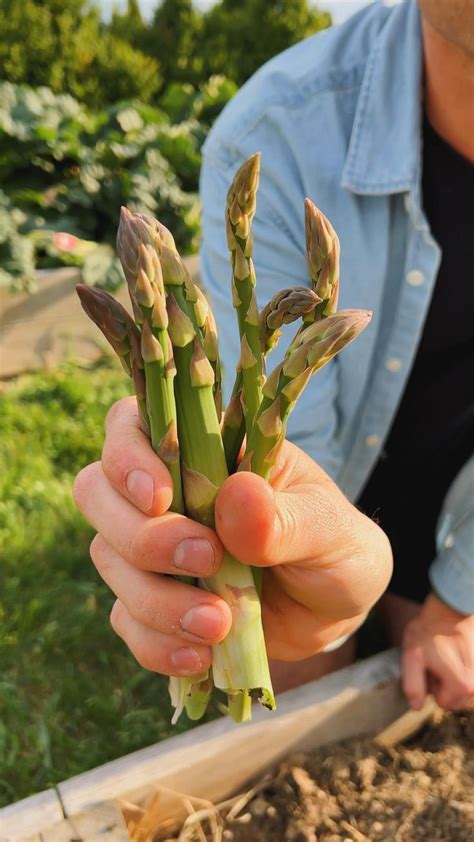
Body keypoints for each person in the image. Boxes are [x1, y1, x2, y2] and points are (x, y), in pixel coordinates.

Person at [73, 0, 474, 712]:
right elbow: (283, 466)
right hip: (326, 519)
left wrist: (458, 594)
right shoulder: (282, 131)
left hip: (460, 511)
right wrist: (314, 586)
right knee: (293, 677)